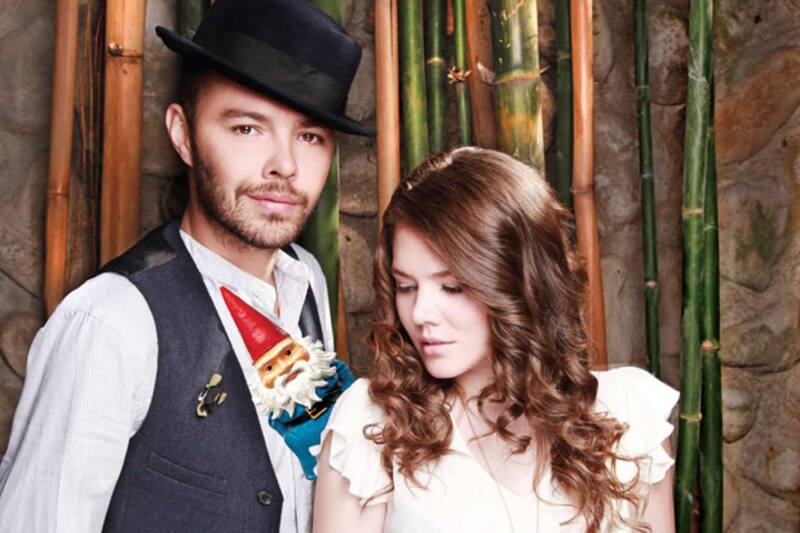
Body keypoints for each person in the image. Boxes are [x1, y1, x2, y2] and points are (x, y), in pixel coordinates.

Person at [0, 0, 373, 531]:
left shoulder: (305, 278)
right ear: (183, 134)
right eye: (247, 129)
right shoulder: (109, 324)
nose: (285, 165)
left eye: (310, 137)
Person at [313, 147, 678, 533]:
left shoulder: (629, 417)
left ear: (523, 283)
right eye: (406, 286)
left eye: (452, 287)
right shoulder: (373, 426)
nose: (420, 313)